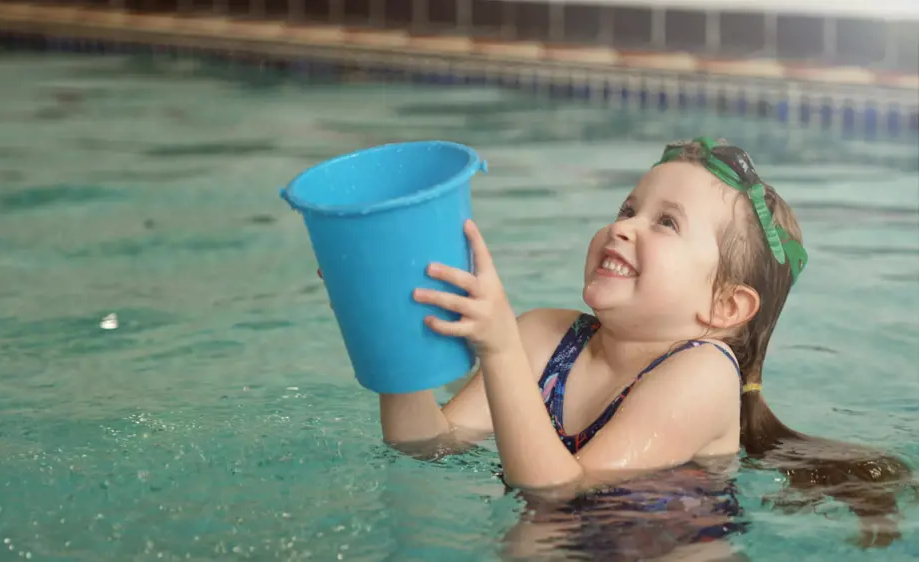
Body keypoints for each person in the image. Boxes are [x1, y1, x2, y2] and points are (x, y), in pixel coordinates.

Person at [318, 137, 913, 552]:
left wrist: (497, 350)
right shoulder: (544, 335)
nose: (623, 225)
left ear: (724, 307)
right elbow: (426, 445)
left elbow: (559, 489)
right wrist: (385, 327)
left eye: (666, 222)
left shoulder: (704, 374)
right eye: (629, 207)